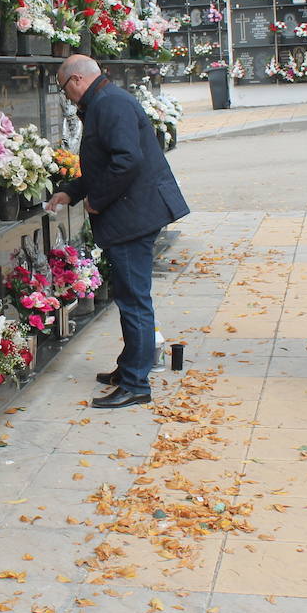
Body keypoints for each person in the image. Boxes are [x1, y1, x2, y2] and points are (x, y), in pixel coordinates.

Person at [46, 56, 189, 409]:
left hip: (132, 215)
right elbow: (106, 162)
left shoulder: (109, 104)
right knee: (131, 297)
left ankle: (136, 384)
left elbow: (126, 160)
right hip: (134, 211)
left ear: (76, 80)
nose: (68, 98)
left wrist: (96, 200)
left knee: (134, 300)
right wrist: (74, 191)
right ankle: (130, 367)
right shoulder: (107, 100)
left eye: (65, 90)